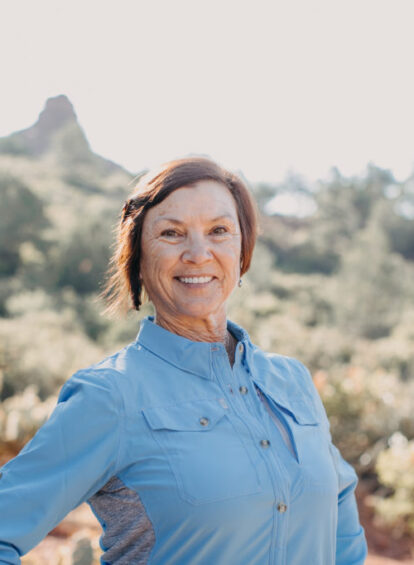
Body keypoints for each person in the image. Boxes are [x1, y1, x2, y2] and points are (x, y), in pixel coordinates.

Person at [0, 156, 368, 564]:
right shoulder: (109, 396)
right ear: (138, 256)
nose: (198, 253)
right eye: (172, 233)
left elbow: (338, 511)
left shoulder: (292, 380)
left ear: (242, 248)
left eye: (219, 231)